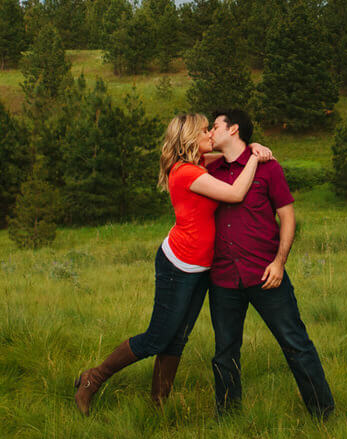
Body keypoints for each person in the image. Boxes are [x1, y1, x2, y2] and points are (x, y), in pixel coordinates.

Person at [73, 112, 273, 414]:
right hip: (178, 266)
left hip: (201, 267)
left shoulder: (197, 163)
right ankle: (92, 379)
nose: (210, 134)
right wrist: (255, 159)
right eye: (204, 130)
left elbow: (227, 148)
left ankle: (158, 405)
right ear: (191, 138)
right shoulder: (186, 173)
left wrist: (250, 145)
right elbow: (234, 193)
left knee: (178, 338)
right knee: (158, 337)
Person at [204, 108, 334, 419]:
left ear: (234, 129)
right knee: (224, 353)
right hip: (223, 277)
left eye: (215, 126)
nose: (209, 131)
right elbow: (182, 157)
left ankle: (323, 413)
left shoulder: (269, 168)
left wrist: (279, 262)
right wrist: (252, 147)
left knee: (295, 343)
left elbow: (287, 216)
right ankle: (228, 418)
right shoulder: (210, 170)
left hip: (265, 273)